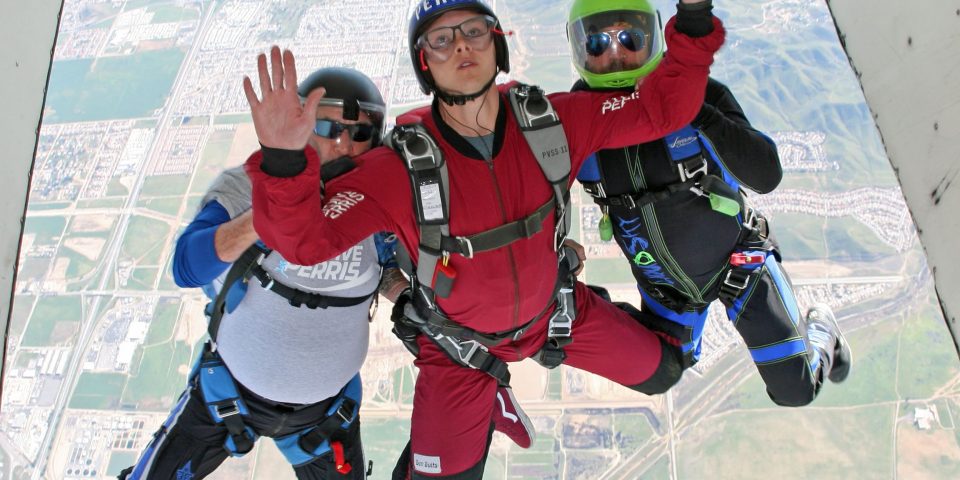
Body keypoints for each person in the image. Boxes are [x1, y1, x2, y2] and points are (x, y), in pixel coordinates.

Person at [241, 0, 725, 477]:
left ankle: (569, 317)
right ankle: (487, 403)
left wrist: (694, 14)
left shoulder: (555, 123)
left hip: (552, 312)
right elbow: (306, 244)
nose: (460, 47)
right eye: (441, 39)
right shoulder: (395, 170)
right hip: (459, 348)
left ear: (497, 44)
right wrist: (283, 161)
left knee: (664, 371)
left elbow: (664, 107)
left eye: (473, 30)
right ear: (424, 63)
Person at [120, 67, 401, 480]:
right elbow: (187, 266)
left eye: (360, 133)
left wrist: (406, 298)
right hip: (226, 395)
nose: (343, 143)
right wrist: (273, 210)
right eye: (326, 127)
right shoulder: (246, 187)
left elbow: (388, 269)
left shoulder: (377, 204)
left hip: (325, 415)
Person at [569, 0, 852, 407]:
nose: (616, 54)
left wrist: (691, 108)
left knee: (795, 391)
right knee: (653, 369)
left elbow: (766, 174)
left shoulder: (698, 95)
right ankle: (573, 307)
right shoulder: (575, 120)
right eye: (598, 43)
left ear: (651, 38)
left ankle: (822, 331)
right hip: (665, 289)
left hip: (740, 265)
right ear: (580, 49)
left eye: (629, 38)